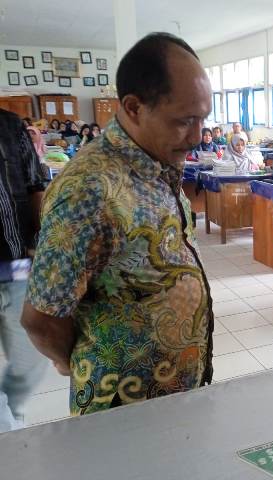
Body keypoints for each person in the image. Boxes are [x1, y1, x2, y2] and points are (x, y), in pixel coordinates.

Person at [21, 32, 215, 416]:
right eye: (184, 121)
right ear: (133, 107)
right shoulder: (89, 188)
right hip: (122, 408)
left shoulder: (159, 162)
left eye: (203, 119)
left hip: (175, 394)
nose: (196, 137)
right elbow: (41, 319)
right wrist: (77, 359)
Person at [0, 108, 48, 432]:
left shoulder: (10, 125)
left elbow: (34, 187)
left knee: (32, 358)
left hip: (17, 264)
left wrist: (44, 245)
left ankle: (10, 411)